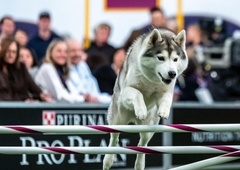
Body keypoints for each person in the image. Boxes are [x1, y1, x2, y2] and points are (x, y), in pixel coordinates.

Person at [0, 37, 52, 102]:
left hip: (21, 107)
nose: (11, 55)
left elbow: (34, 88)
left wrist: (41, 95)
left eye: (14, 52)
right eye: (8, 51)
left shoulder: (21, 67)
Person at [67, 39, 111, 103]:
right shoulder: (64, 69)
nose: (77, 54)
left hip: (93, 103)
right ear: (67, 52)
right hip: (76, 105)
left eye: (79, 50)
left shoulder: (83, 66)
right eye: (73, 51)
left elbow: (94, 89)